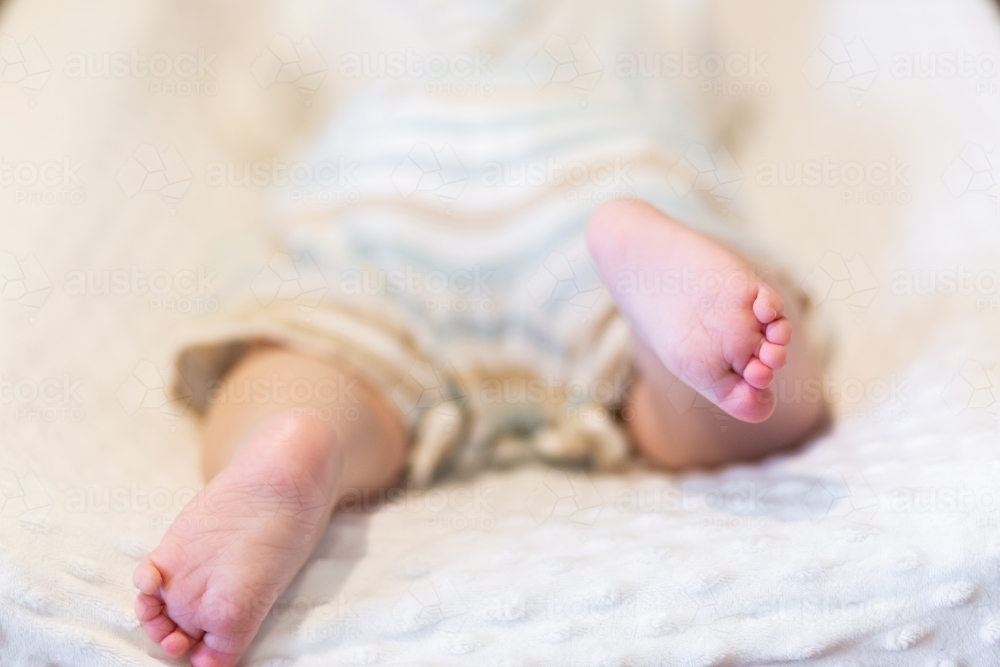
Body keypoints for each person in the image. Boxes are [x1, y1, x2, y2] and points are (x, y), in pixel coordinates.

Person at [132, 2, 828, 664]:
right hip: (597, 159)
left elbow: (257, 113)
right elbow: (710, 96)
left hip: (386, 175)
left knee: (319, 342)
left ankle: (295, 437)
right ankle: (653, 287)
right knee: (732, 377)